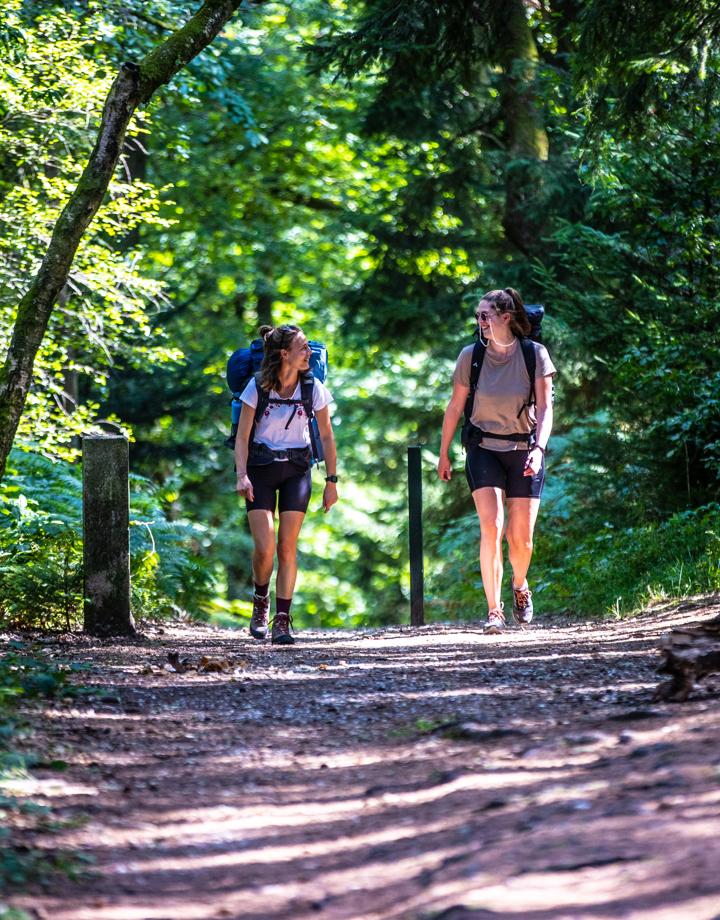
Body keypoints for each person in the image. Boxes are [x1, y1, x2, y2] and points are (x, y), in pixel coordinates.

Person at [438, 289, 556, 635]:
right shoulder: (470, 356)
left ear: (506, 317)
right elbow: (455, 407)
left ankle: (520, 585)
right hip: (483, 448)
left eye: (486, 315)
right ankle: (494, 610)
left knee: (521, 540)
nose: (480, 322)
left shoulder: (535, 355)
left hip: (525, 449)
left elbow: (546, 408)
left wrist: (539, 448)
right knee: (491, 526)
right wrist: (444, 452)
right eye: (478, 316)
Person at [235, 324, 338, 645]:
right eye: (304, 348)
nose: (310, 353)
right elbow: (242, 435)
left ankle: (282, 620)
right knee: (265, 549)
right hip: (261, 469)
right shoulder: (258, 386)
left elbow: (327, 435)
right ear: (285, 354)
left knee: (286, 547)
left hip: (297, 469)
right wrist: (241, 473)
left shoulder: (313, 388)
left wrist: (331, 480)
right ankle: (260, 602)